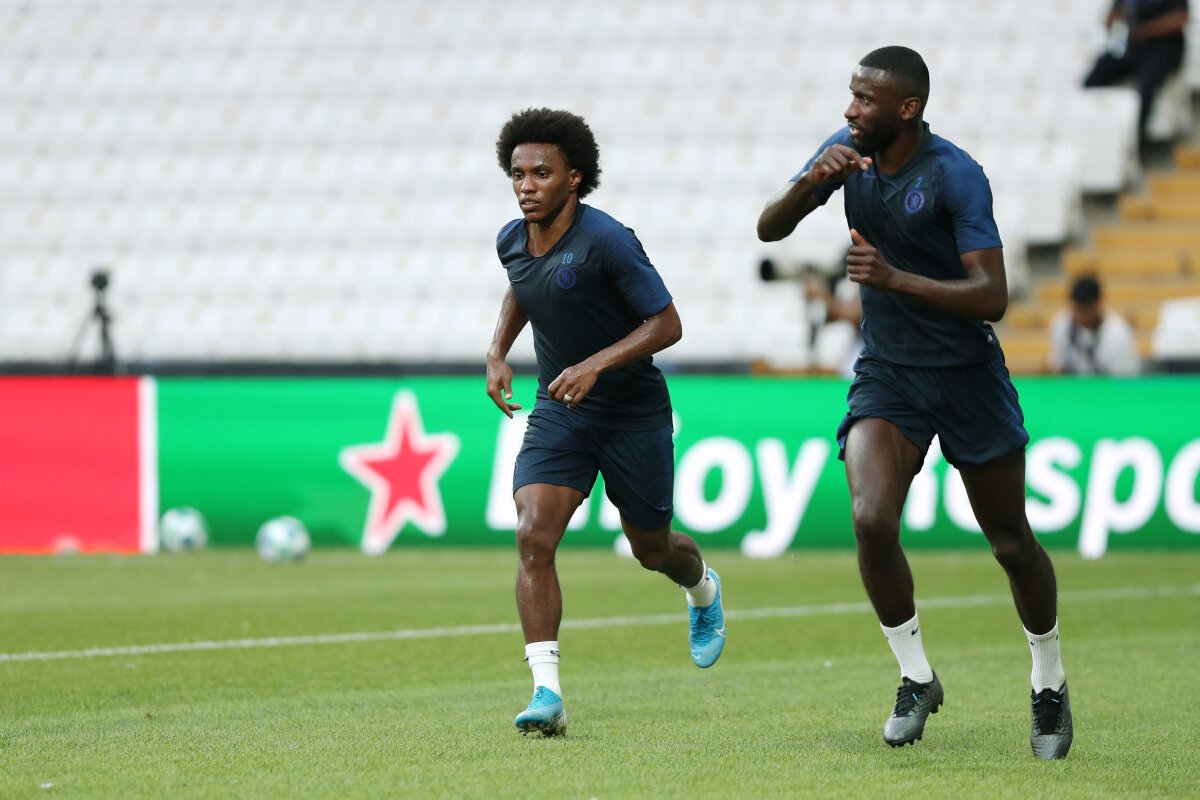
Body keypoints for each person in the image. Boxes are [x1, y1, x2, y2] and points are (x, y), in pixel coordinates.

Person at [756, 47, 1073, 759]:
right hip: (889, 373)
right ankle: (916, 677)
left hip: (966, 376)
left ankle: (1048, 683)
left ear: (907, 108)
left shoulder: (955, 174)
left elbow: (992, 295)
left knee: (1011, 542)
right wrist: (811, 182)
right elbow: (769, 229)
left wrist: (893, 278)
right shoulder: (844, 153)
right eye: (850, 95)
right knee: (871, 520)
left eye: (864, 100)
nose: (849, 110)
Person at [486, 108, 726, 737]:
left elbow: (668, 324)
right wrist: (497, 351)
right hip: (560, 410)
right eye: (518, 174)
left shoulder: (609, 240)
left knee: (652, 548)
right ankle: (546, 692)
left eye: (541, 173)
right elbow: (522, 286)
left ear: (574, 177)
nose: (526, 185)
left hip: (631, 414)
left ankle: (702, 588)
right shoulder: (512, 238)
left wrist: (595, 364)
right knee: (533, 534)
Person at [1083, 0, 1190, 148]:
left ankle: (1136, 139)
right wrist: (1119, 21)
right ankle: (1095, 131)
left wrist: (1146, 29)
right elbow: (1109, 19)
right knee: (1093, 80)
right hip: (1130, 47)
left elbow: (1181, 18)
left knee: (1146, 85)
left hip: (1161, 47)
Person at [1048, 275, 1142, 375]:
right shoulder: (1062, 325)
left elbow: (1125, 377)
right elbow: (1058, 366)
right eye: (1078, 309)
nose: (1081, 316)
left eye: (1086, 309)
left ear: (1098, 304)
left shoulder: (1118, 334)